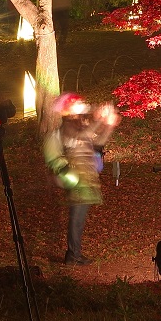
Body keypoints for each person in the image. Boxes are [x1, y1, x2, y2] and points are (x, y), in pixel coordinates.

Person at [47, 94, 118, 265]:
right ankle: (72, 256)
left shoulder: (79, 125)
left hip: (87, 178)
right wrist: (100, 120)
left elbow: (97, 141)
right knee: (76, 219)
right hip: (76, 179)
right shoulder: (67, 127)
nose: (81, 107)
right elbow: (87, 134)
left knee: (79, 219)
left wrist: (108, 126)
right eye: (76, 105)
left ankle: (75, 253)